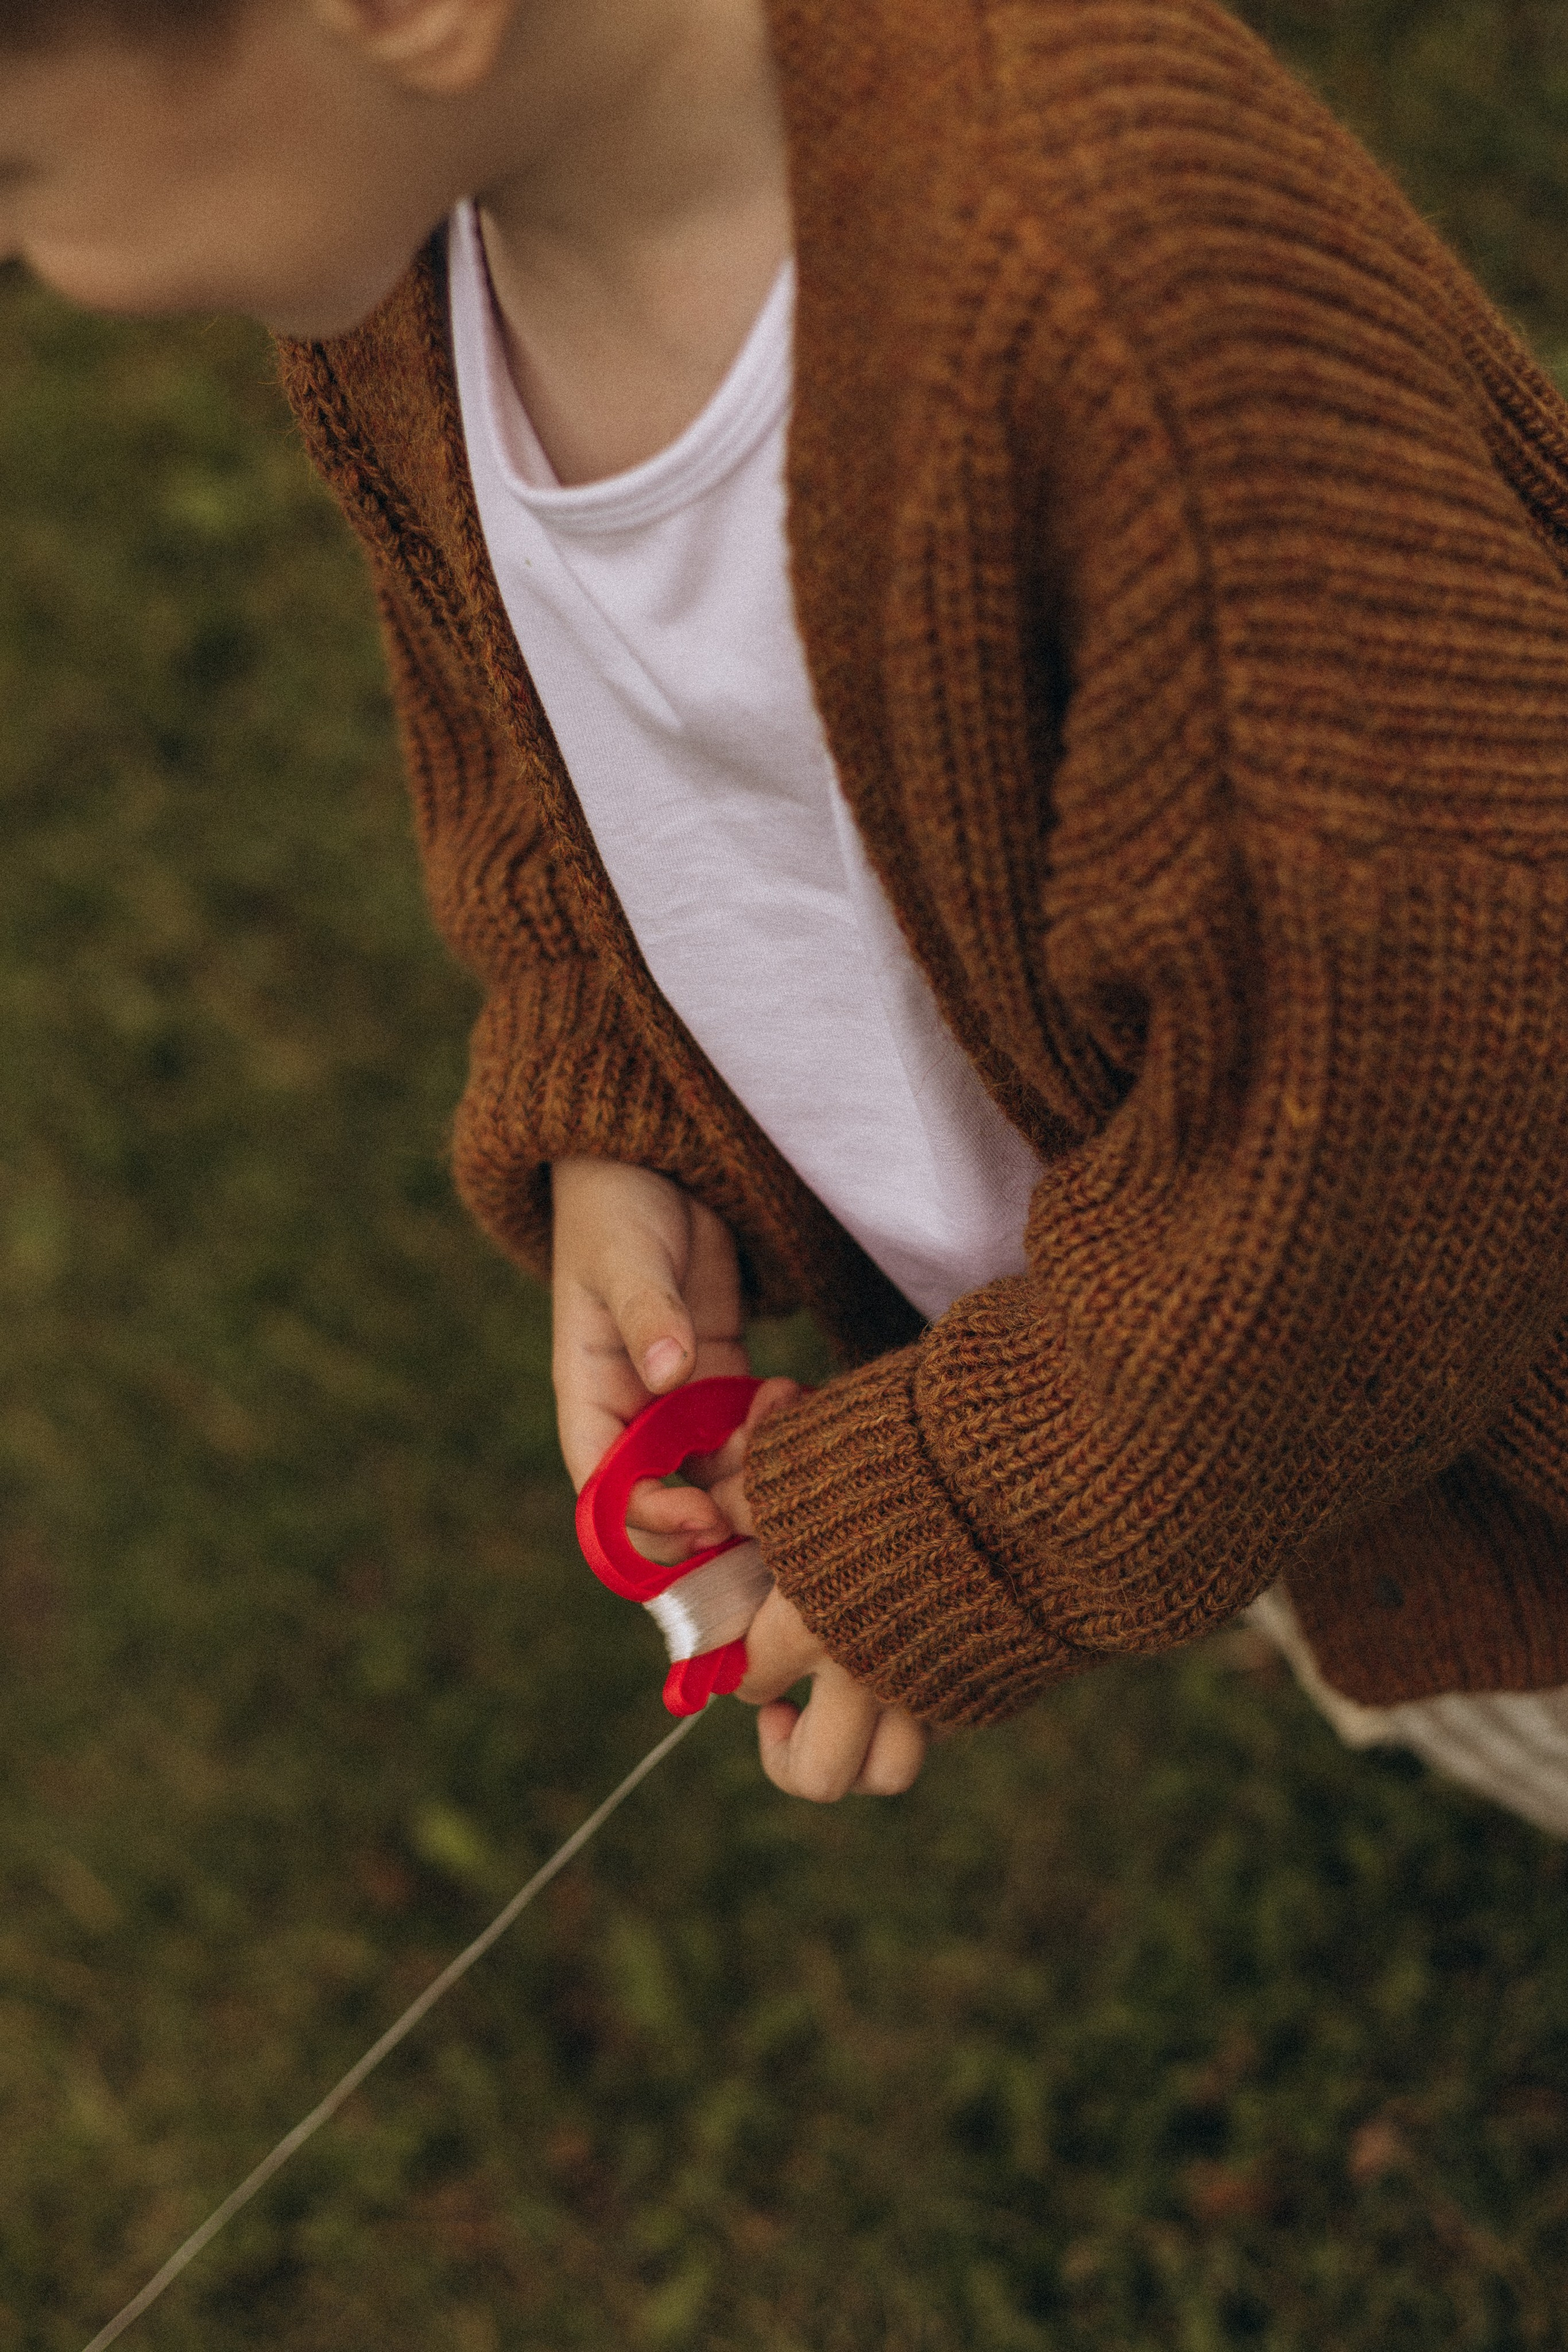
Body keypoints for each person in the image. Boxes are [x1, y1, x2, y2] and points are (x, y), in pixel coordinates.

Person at [7, 0, 1568, 1826]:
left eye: (14, 179)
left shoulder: (1104, 278)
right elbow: (549, 777)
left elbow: (1417, 1099)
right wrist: (621, 1118)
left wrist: (978, 1512)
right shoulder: (412, 282)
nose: (31, 264)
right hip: (1236, 1396)